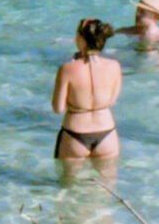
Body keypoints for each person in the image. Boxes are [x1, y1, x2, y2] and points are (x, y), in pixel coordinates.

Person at [52, 18, 122, 160]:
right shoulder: (115, 66)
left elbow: (58, 108)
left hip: (75, 132)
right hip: (106, 132)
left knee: (69, 182)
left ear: (82, 39)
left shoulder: (67, 69)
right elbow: (112, 100)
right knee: (106, 182)